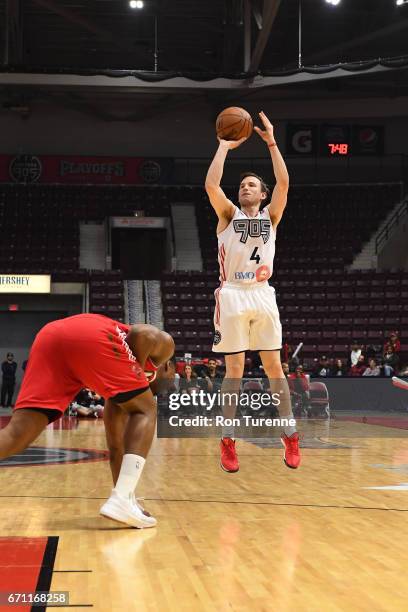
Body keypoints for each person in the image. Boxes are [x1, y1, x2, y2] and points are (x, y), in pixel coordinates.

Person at [0, 313, 175, 529]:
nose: (170, 386)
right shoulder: (166, 348)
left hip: (50, 338)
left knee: (17, 435)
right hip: (88, 336)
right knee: (147, 409)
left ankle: (124, 499)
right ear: (167, 367)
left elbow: (116, 447)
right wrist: (136, 369)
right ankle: (121, 499)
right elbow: (143, 332)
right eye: (171, 380)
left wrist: (129, 499)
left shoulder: (117, 391)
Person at [205, 110, 300, 472]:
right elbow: (212, 186)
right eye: (242, 184)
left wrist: (272, 142)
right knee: (235, 371)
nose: (245, 187)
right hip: (231, 293)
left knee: (275, 368)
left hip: (262, 292)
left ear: (261, 195)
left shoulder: (271, 217)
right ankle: (228, 440)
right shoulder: (229, 215)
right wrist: (223, 146)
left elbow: (284, 184)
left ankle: (289, 434)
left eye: (251, 185)